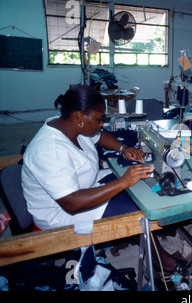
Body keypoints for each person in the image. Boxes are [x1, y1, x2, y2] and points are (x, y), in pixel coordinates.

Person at [22, 84, 182, 273]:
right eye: (99, 119)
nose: (101, 124)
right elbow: (71, 203)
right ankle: (159, 258)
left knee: (138, 182)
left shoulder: (68, 125)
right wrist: (122, 182)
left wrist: (124, 148)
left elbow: (100, 137)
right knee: (139, 208)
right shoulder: (49, 150)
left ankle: (150, 244)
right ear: (80, 117)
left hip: (84, 186)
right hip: (62, 212)